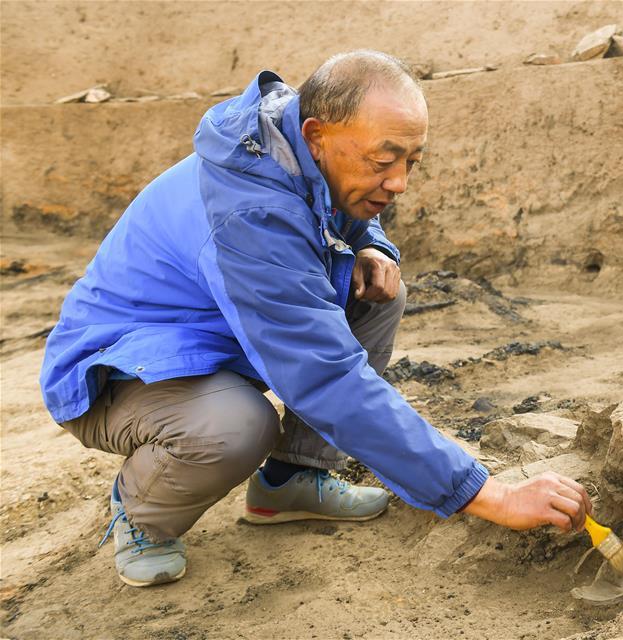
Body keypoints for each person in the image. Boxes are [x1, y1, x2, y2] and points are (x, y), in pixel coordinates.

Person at [39, 50, 592, 587]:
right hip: (114, 373)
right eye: (383, 161)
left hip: (209, 342)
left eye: (411, 162)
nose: (399, 182)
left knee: (375, 290)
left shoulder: (287, 142)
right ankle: (142, 511)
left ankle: (291, 478)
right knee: (237, 424)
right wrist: (488, 494)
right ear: (315, 135)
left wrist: (374, 245)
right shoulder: (250, 210)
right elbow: (324, 374)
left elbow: (331, 208)